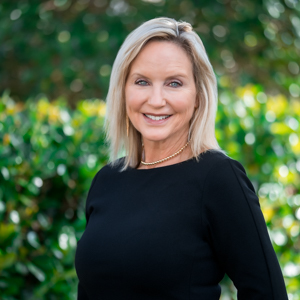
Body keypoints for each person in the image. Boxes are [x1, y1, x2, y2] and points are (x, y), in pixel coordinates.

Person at [75, 17, 288, 299]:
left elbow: (267, 293)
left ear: (198, 95)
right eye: (142, 82)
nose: (156, 99)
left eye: (174, 83)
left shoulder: (219, 178)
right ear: (123, 90)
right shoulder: (108, 180)